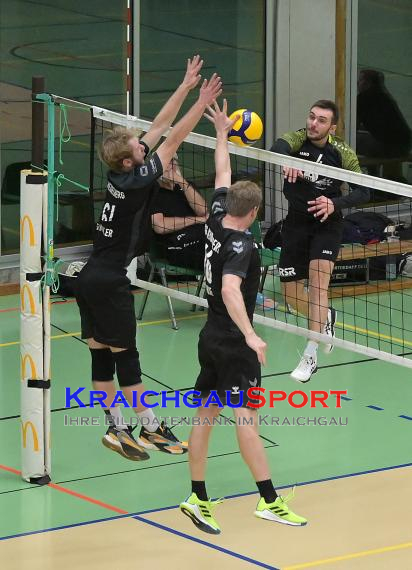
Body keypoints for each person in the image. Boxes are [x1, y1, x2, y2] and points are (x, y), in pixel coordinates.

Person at [75, 55, 222, 461]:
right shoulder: (139, 181)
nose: (145, 144)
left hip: (90, 276)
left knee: (100, 351)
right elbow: (174, 136)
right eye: (139, 147)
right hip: (109, 280)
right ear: (129, 160)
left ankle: (117, 427)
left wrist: (186, 84)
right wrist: (202, 100)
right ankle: (151, 427)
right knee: (128, 357)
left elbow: (157, 127)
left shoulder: (120, 173)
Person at [179, 100, 307, 535]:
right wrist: (251, 335)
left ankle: (197, 496)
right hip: (233, 343)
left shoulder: (216, 218)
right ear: (253, 213)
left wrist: (220, 134)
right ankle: (269, 501)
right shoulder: (243, 246)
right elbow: (232, 289)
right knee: (247, 419)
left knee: (205, 417)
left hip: (209, 335)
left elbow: (221, 174)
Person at [271, 100, 370, 383]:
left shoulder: (342, 153)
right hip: (296, 224)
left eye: (322, 120)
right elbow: (277, 147)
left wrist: (335, 203)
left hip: (327, 225)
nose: (314, 124)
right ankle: (325, 318)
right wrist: (288, 161)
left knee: (317, 283)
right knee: (291, 297)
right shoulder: (297, 138)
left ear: (333, 127)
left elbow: (363, 191)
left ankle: (310, 354)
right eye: (312, 117)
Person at [151, 155, 208, 271]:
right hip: (175, 247)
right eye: (165, 161)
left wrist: (180, 180)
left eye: (173, 161)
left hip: (199, 239)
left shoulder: (187, 186)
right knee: (217, 251)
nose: (170, 165)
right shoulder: (151, 192)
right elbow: (160, 226)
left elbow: (203, 211)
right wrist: (196, 220)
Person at [357, 69, 411, 182]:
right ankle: (377, 177)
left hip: (391, 147)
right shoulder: (385, 97)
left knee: (352, 140)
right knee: (366, 140)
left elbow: (353, 125)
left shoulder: (364, 98)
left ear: (368, 83)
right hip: (403, 146)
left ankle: (372, 180)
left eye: (360, 80)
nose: (358, 83)